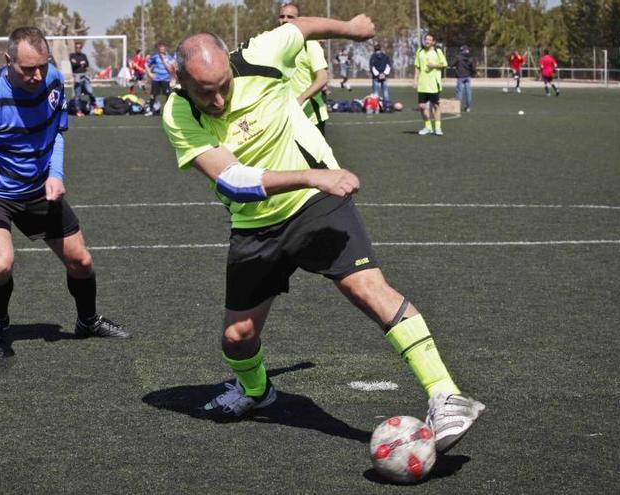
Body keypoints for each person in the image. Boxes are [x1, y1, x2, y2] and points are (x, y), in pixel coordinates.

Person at [161, 15, 484, 453]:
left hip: (316, 204)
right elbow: (232, 180)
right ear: (178, 78)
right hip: (257, 223)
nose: (217, 99)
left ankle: (447, 396)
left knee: (369, 290)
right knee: (237, 338)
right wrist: (312, 176)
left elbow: (303, 28)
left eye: (224, 85)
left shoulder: (260, 54)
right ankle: (257, 393)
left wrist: (352, 29)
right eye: (205, 91)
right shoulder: (177, 111)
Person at [0, 26, 131, 362]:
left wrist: (55, 174)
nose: (36, 76)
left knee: (81, 261)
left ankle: (87, 320)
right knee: (0, 264)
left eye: (42, 66)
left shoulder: (54, 81)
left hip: (38, 188)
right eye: (27, 69)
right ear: (7, 61)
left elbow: (57, 131)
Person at [278, 2, 330, 135]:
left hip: (310, 117)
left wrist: (301, 99)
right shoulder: (276, 46)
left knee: (314, 157)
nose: (285, 20)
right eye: (282, 16)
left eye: (290, 17)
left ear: (298, 21)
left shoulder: (310, 44)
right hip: (286, 115)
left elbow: (323, 77)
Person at [414, 33, 448, 136]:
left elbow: (445, 64)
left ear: (433, 42)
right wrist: (415, 79)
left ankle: (438, 128)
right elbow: (417, 67)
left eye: (429, 40)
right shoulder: (420, 51)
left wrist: (434, 65)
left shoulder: (438, 51)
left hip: (433, 84)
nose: (427, 41)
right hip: (422, 84)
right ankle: (428, 127)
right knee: (421, 106)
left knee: (436, 106)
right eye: (426, 39)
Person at [146, 42, 176, 113]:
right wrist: (150, 73)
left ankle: (168, 110)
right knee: (153, 94)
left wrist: (173, 78)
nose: (162, 50)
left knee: (168, 95)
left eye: (163, 48)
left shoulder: (169, 57)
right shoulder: (155, 56)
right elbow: (146, 64)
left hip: (166, 79)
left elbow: (172, 68)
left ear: (165, 49)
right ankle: (151, 109)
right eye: (160, 49)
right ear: (158, 49)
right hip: (156, 79)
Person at [69, 41, 96, 116]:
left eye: (79, 47)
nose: (78, 48)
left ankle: (93, 105)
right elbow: (73, 64)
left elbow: (87, 64)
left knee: (90, 92)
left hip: (85, 76)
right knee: (77, 95)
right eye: (76, 47)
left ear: (81, 48)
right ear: (75, 48)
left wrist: (80, 63)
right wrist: (80, 63)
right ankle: (78, 111)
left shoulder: (84, 55)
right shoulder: (72, 55)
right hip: (77, 77)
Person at [452, 44, 476, 112]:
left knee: (459, 92)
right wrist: (473, 73)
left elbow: (451, 64)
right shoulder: (470, 58)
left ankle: (458, 107)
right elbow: (473, 68)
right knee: (468, 92)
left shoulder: (458, 57)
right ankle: (467, 107)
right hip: (468, 76)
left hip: (460, 76)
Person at [369, 43, 391, 108]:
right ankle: (387, 106)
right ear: (380, 48)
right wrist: (384, 74)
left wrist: (378, 75)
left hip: (375, 77)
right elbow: (388, 66)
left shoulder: (372, 57)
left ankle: (376, 106)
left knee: (376, 93)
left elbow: (372, 67)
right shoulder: (385, 56)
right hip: (384, 77)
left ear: (374, 49)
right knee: (385, 91)